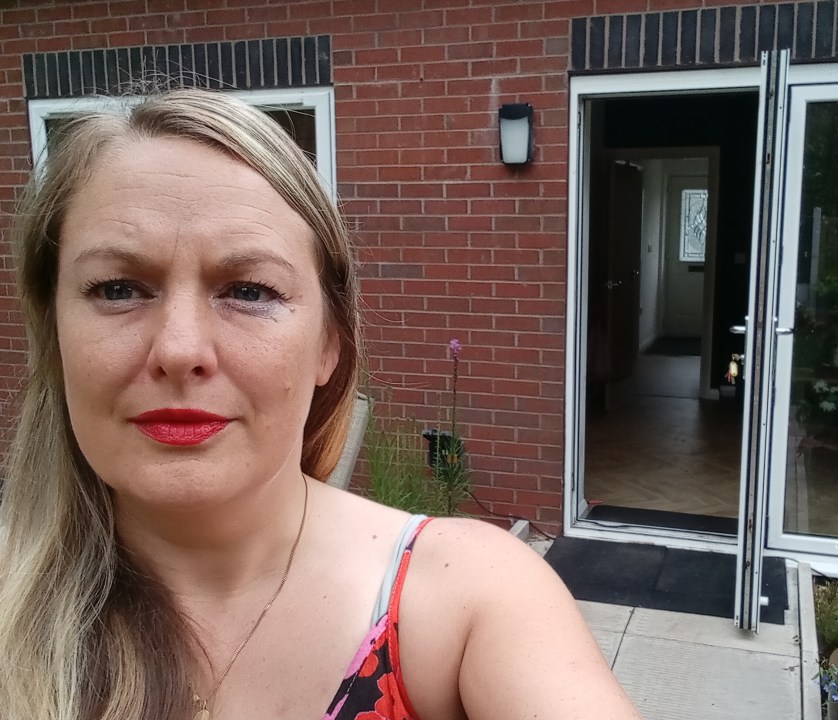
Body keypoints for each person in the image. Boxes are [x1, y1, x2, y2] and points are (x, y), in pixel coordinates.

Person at [0, 88, 643, 720]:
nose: (179, 348)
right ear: (51, 328)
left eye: (248, 290)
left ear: (328, 345)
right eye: (118, 288)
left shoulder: (464, 600)